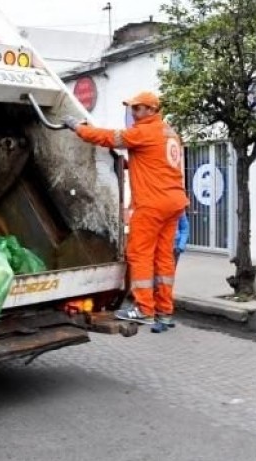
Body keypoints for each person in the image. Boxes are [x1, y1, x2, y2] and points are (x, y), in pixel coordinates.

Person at [64, 91, 189, 333]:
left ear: (151, 110)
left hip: (152, 203)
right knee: (163, 257)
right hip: (174, 202)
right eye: (132, 108)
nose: (133, 113)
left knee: (139, 253)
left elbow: (109, 138)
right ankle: (164, 311)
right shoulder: (169, 132)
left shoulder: (144, 132)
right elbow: (155, 162)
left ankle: (143, 309)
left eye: (138, 108)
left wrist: (78, 128)